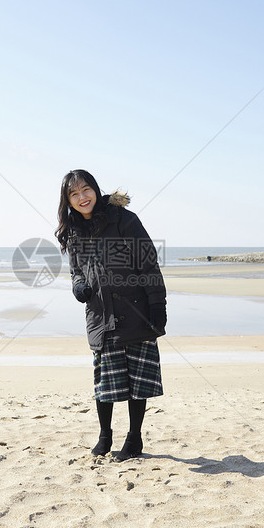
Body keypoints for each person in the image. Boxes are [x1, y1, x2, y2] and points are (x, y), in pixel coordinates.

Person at [55, 169, 167, 461]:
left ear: (95, 189)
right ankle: (105, 437)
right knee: (105, 382)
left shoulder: (123, 219)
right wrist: (79, 286)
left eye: (86, 190)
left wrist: (158, 307)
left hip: (136, 310)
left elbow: (148, 263)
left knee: (137, 382)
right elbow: (76, 271)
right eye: (74, 194)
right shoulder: (73, 231)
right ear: (68, 200)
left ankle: (135, 438)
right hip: (100, 315)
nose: (82, 197)